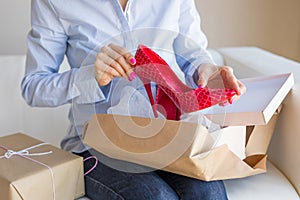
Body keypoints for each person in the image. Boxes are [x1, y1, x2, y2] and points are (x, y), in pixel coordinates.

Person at [22, 0, 246, 199]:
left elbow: (193, 54)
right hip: (96, 145)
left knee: (208, 192)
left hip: (168, 136)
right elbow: (33, 86)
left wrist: (207, 70)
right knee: (157, 196)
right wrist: (90, 75)